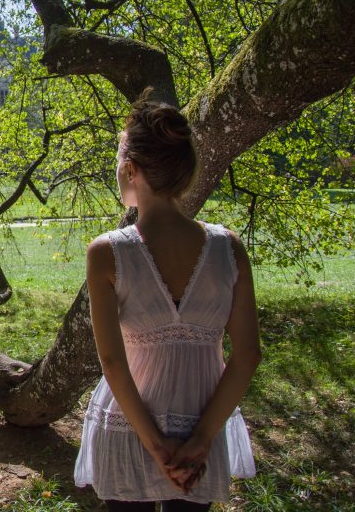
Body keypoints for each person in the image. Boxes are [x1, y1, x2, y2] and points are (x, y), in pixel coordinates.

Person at [74, 95, 260, 511]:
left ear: (131, 170)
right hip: (201, 429)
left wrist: (156, 446)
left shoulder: (107, 253)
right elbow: (247, 355)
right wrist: (201, 439)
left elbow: (112, 362)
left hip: (128, 428)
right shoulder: (229, 248)